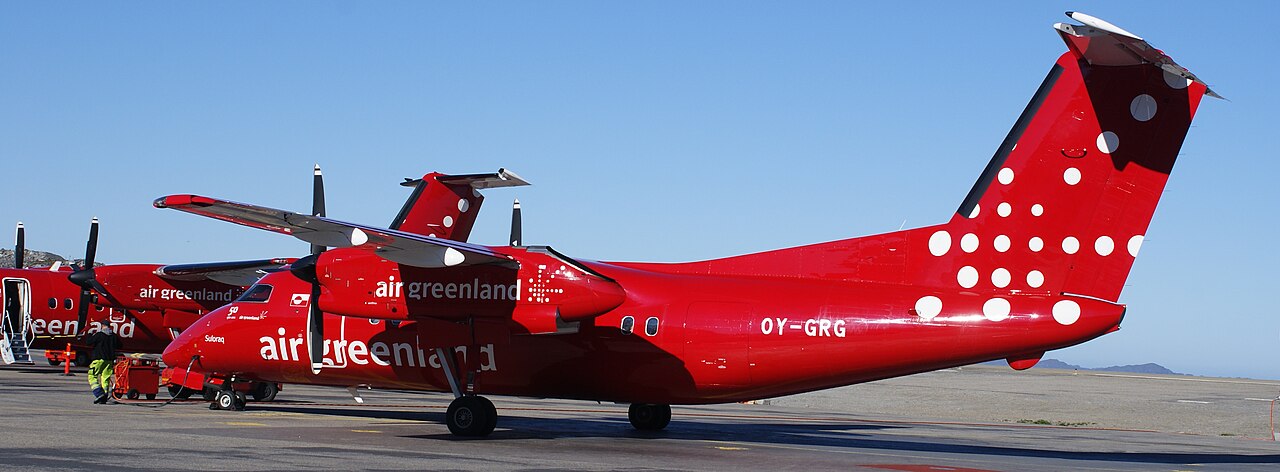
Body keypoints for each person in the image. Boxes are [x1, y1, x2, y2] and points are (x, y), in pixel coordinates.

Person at [85, 325, 122, 404]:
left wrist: (89, 334)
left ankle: (99, 393)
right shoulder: (114, 336)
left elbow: (88, 342)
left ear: (102, 326)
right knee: (105, 378)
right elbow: (120, 345)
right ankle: (104, 397)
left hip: (99, 359)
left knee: (92, 376)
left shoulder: (99, 335)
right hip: (109, 361)